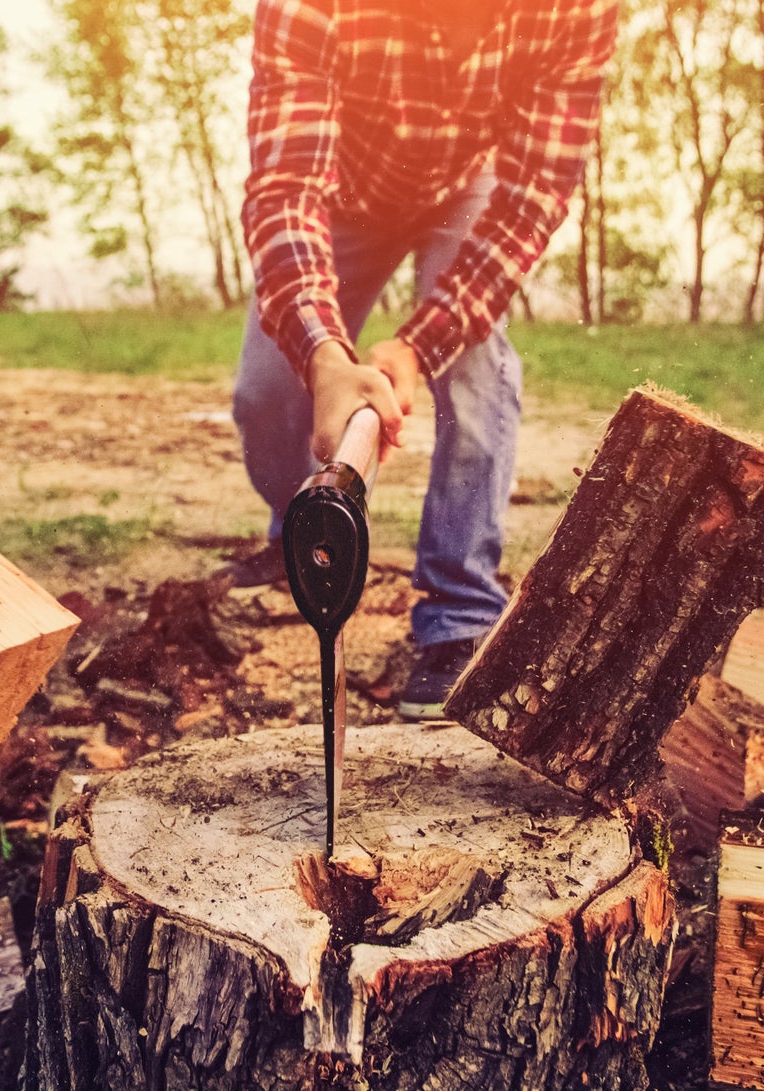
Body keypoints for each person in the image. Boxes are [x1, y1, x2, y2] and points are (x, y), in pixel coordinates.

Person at [232, 0, 618, 719]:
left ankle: (461, 609)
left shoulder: (576, 9)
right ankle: (301, 534)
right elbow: (285, 189)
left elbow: (534, 195)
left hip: (465, 189)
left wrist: (419, 344)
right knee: (264, 391)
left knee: (477, 375)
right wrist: (322, 354)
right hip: (338, 187)